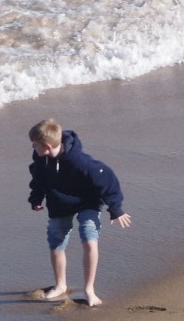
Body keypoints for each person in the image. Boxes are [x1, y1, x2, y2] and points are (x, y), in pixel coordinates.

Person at [26, 118, 131, 307]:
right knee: (56, 243)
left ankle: (89, 290)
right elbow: (38, 179)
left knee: (90, 240)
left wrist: (115, 208)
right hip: (59, 203)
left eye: (35, 145)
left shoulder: (78, 161)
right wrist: (36, 198)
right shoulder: (41, 159)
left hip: (87, 202)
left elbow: (106, 178)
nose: (33, 148)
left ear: (47, 146)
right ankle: (60, 285)